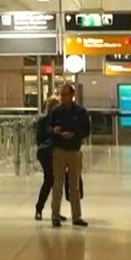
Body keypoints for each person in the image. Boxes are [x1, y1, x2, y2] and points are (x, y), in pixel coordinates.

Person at [49, 83, 91, 228]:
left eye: (66, 95)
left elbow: (86, 131)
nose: (63, 97)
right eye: (62, 94)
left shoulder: (80, 112)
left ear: (72, 95)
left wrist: (74, 135)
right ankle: (55, 215)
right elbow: (47, 128)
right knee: (58, 184)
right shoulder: (56, 111)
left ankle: (76, 216)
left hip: (74, 150)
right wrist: (55, 131)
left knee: (74, 185)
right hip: (59, 150)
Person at [34, 97, 70, 221]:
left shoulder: (59, 121)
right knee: (49, 179)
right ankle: (39, 208)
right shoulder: (44, 121)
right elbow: (40, 138)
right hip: (46, 153)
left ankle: (55, 210)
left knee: (57, 181)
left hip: (56, 152)